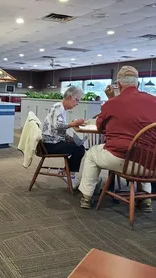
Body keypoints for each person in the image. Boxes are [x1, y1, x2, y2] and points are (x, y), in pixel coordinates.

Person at [79, 66, 156, 212]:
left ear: (119, 85)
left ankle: (86, 197)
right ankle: (145, 200)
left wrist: (111, 99)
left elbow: (100, 127)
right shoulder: (154, 101)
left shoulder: (112, 103)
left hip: (119, 158)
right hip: (150, 164)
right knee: (145, 151)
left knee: (91, 154)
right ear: (138, 84)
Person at [42, 86, 86, 188]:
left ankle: (67, 172)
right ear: (70, 97)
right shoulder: (59, 107)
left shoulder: (60, 108)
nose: (77, 103)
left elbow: (56, 129)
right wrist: (73, 123)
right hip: (50, 145)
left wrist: (67, 137)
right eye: (76, 100)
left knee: (78, 145)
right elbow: (58, 126)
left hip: (51, 142)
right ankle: (69, 175)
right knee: (79, 148)